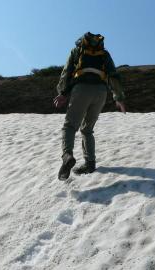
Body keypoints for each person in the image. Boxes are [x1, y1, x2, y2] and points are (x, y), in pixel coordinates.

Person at [53, 32, 126, 181]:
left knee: (70, 126)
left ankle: (67, 155)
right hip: (101, 92)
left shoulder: (77, 51)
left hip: (81, 90)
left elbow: (66, 73)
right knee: (87, 129)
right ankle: (90, 163)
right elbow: (113, 75)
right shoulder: (104, 54)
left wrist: (62, 93)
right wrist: (118, 98)